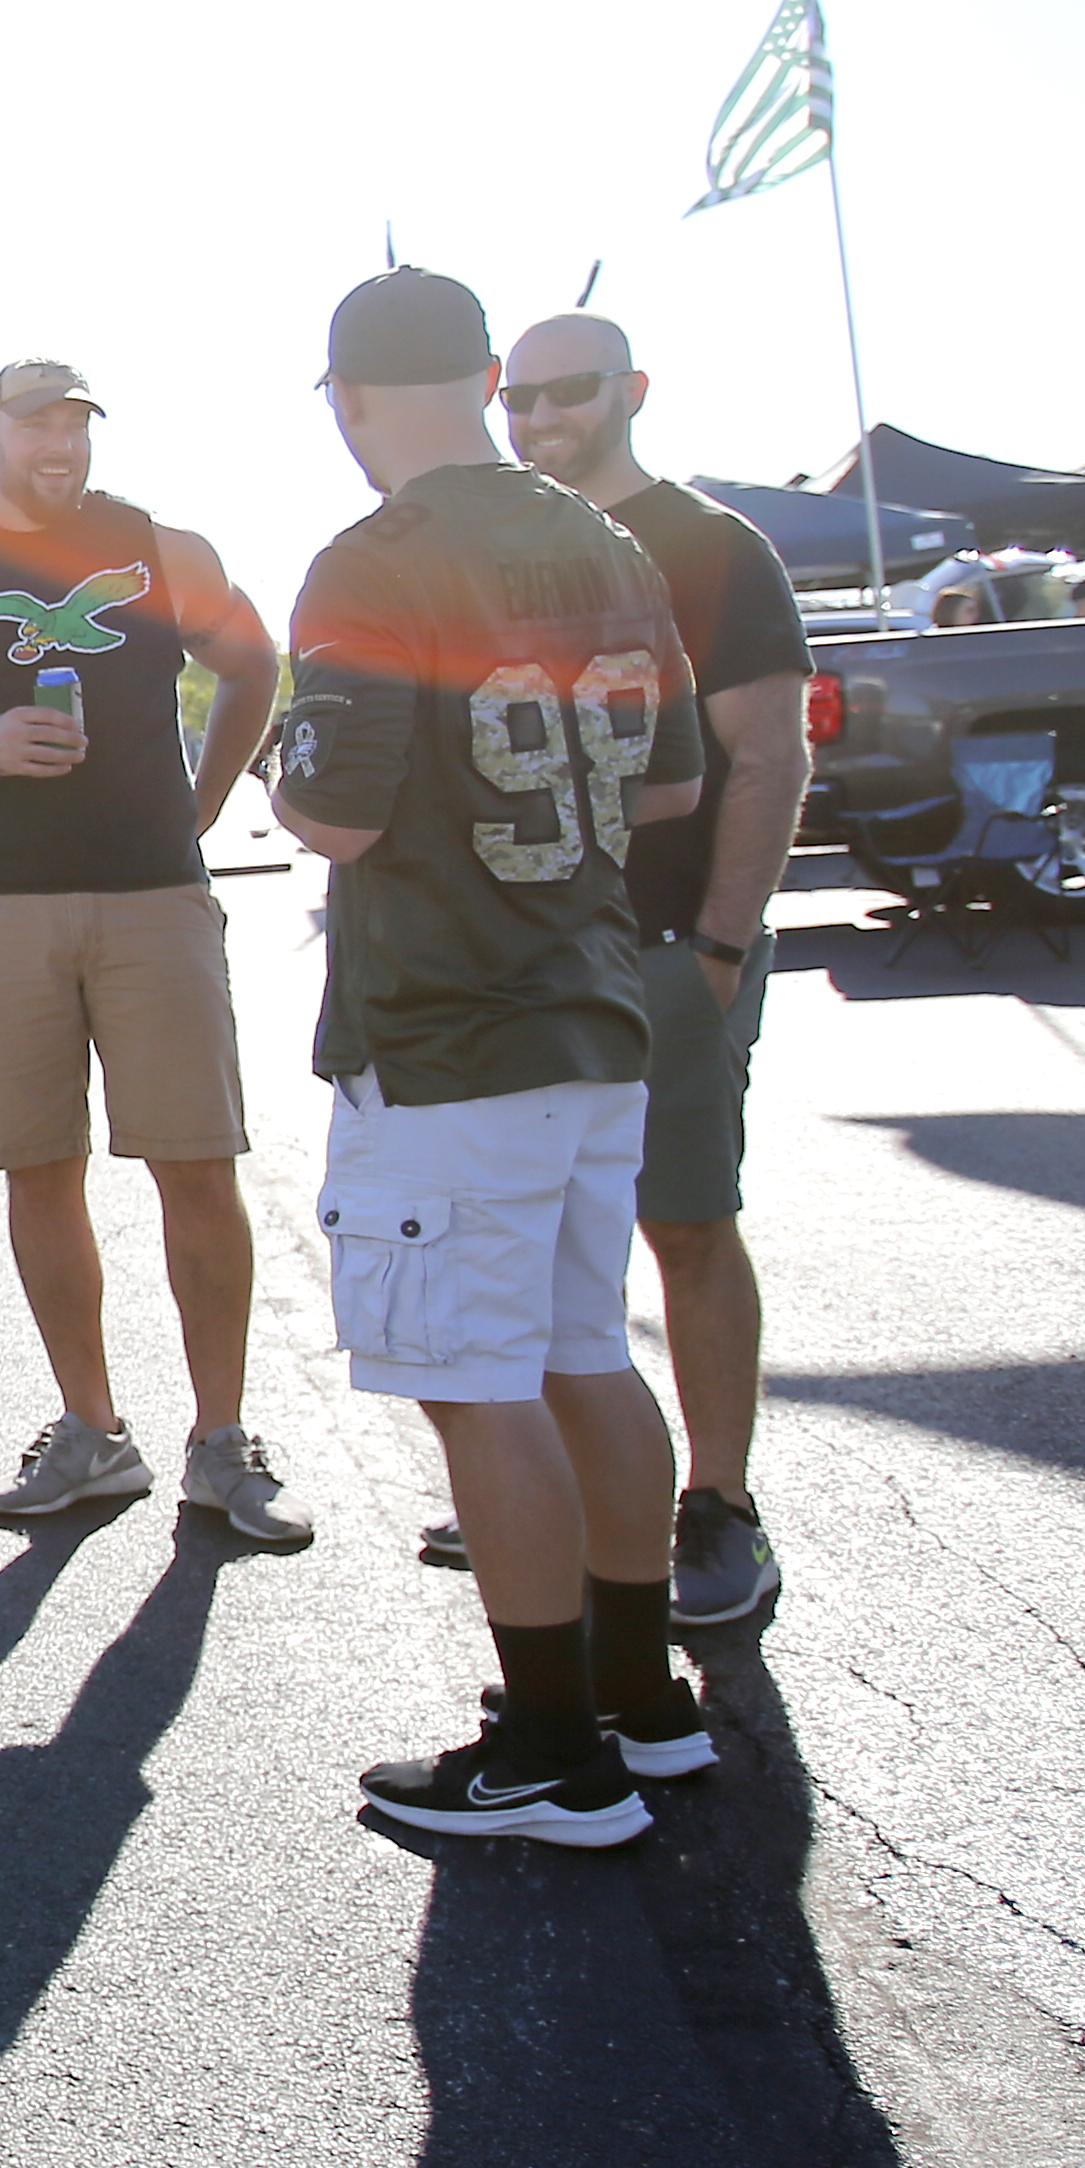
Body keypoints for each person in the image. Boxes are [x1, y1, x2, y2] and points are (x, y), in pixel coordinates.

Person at [271, 272, 704, 1848]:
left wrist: (278, 752)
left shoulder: (376, 557)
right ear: (480, 378)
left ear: (352, 396)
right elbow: (665, 786)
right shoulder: (607, 537)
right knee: (585, 1347)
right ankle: (644, 1702)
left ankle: (544, 1745)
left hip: (453, 1020)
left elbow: (337, 813)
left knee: (477, 1385)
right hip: (590, 998)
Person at [0, 361, 304, 1546]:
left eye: (75, 422)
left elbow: (255, 665)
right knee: (39, 1171)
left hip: (155, 893)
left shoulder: (164, 551)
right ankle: (91, 1432)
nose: (58, 442)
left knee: (197, 1165)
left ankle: (221, 1441)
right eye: (34, 421)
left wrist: (203, 805)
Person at [498, 311, 811, 1628]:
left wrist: (725, 941)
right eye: (515, 396)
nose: (536, 416)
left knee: (684, 1221)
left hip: (672, 947)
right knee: (540, 1240)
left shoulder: (715, 547)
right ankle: (570, 1495)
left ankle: (720, 1504)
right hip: (523, 957)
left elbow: (771, 757)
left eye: (564, 391)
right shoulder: (499, 550)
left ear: (631, 389)